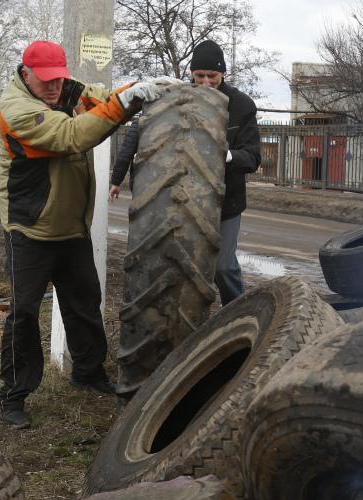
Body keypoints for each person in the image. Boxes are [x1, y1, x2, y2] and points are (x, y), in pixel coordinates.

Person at [0, 39, 167, 429]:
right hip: (30, 228)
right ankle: (13, 396)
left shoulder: (65, 88)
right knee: (23, 314)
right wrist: (122, 105)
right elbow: (71, 136)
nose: (55, 87)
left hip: (70, 225)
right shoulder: (17, 109)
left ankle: (88, 372)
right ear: (26, 74)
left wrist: (138, 89)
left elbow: (103, 99)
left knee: (84, 302)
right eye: (46, 81)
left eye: (59, 78)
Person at [108, 40, 261, 304]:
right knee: (177, 263)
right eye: (198, 75)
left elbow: (253, 156)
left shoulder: (241, 105)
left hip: (226, 202)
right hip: (182, 200)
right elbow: (138, 133)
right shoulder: (177, 99)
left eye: (211, 76)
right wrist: (117, 176)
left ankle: (237, 313)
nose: (205, 82)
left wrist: (226, 155)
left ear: (222, 73)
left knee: (223, 268)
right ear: (191, 73)